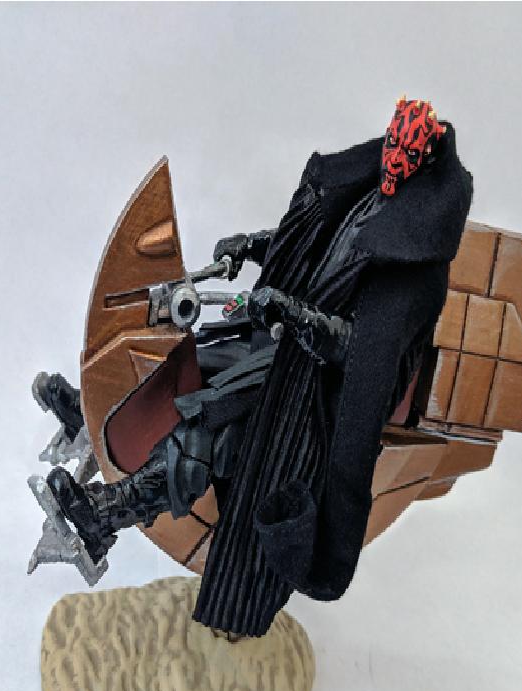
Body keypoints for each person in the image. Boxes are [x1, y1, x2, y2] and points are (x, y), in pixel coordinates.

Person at [41, 98, 473, 636]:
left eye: (404, 156)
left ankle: (106, 515)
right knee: (190, 359)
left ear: (422, 161)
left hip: (321, 392)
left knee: (214, 417)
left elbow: (366, 354)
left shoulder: (418, 265)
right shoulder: (366, 192)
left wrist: (297, 316)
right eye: (391, 147)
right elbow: (314, 254)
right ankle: (97, 419)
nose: (392, 162)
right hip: (280, 343)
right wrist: (255, 247)